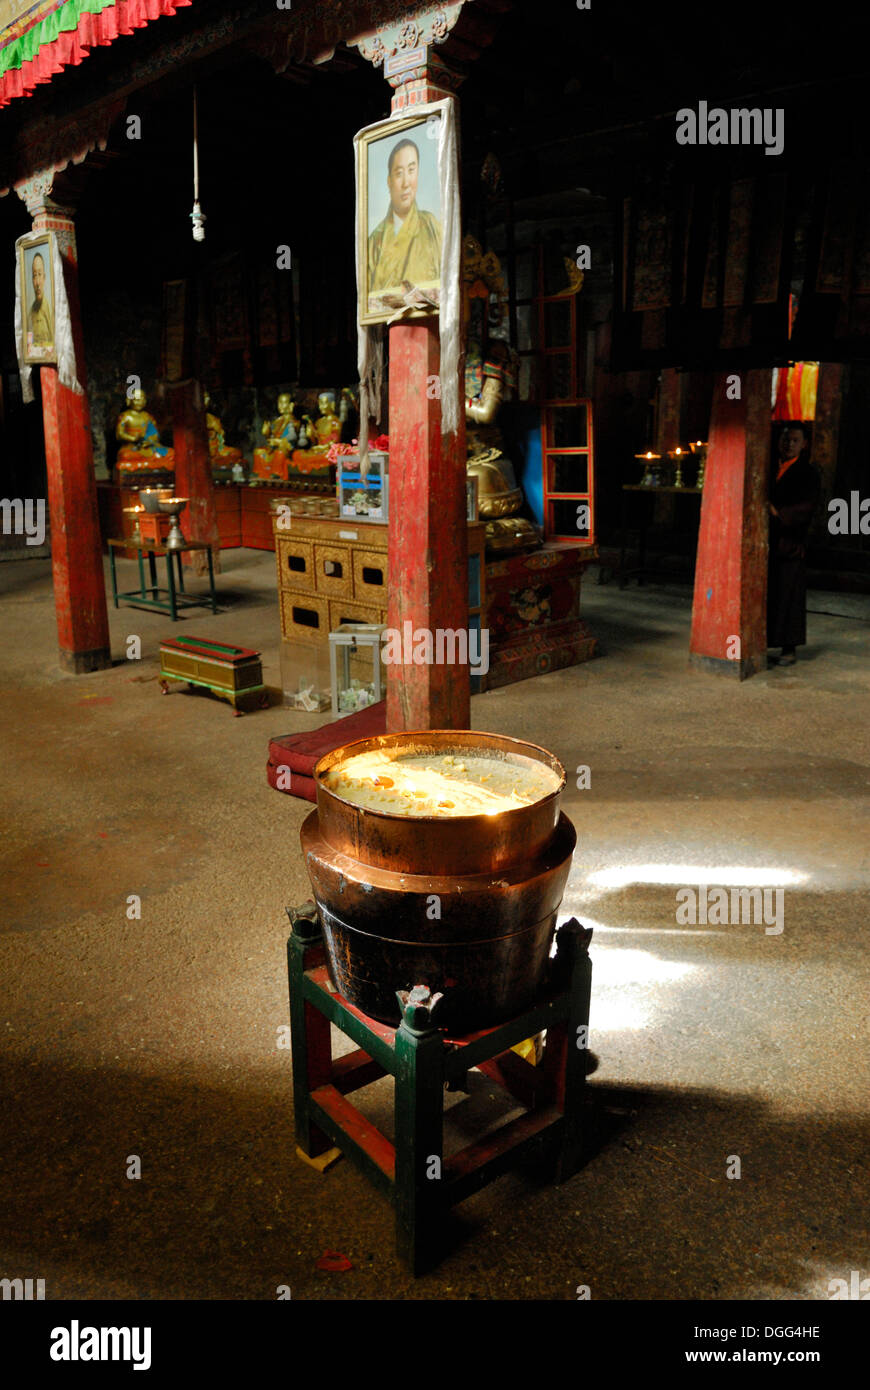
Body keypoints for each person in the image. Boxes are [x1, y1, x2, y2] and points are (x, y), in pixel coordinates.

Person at [767, 422, 820, 666]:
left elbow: (808, 507)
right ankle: (765, 642)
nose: (789, 444)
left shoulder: (808, 472)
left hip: (791, 541)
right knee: (770, 593)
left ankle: (789, 648)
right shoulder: (769, 467)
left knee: (789, 593)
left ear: (804, 444)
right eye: (785, 439)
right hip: (767, 539)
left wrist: (779, 513)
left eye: (795, 440)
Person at [367, 138, 442, 299]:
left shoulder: (431, 227)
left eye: (411, 170)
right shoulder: (374, 242)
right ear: (389, 181)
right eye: (399, 173)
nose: (406, 182)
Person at [28, 252, 53, 346]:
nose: (37, 282)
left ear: (44, 277)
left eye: (40, 274)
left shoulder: (50, 310)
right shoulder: (30, 314)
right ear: (32, 280)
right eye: (35, 275)